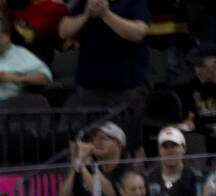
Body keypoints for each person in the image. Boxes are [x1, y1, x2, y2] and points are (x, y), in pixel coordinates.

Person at [58, 0, 150, 150]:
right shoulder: (86, 2)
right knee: (89, 143)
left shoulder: (134, 2)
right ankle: (88, 173)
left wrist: (106, 14)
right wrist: (86, 15)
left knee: (128, 145)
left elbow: (138, 32)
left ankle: (130, 173)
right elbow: (63, 31)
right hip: (89, 89)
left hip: (126, 90)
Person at [57, 121, 128, 196]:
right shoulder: (87, 165)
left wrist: (85, 166)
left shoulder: (126, 169)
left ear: (119, 145)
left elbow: (110, 195)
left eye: (103, 138)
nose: (97, 142)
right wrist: (77, 163)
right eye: (95, 137)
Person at [143, 126, 205, 196]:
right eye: (165, 146)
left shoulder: (195, 176)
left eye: (174, 146)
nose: (170, 150)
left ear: (183, 148)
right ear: (159, 149)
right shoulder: (149, 177)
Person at [179, 43, 216, 152]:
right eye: (194, 65)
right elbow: (190, 116)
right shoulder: (193, 86)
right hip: (203, 142)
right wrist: (188, 122)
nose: (197, 70)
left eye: (201, 65)